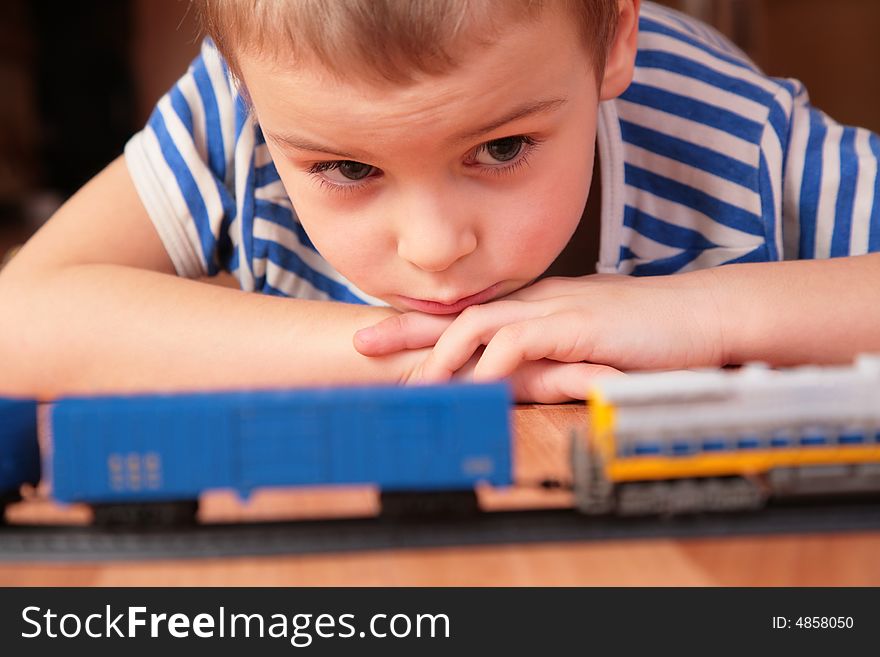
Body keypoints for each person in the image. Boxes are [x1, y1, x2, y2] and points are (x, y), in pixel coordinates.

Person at [1, 0, 879, 403]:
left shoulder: (723, 130)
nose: (432, 248)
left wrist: (706, 313)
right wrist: (419, 362)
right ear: (247, 91)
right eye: (346, 169)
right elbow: (18, 324)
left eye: (500, 149)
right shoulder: (239, 114)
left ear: (614, 39)